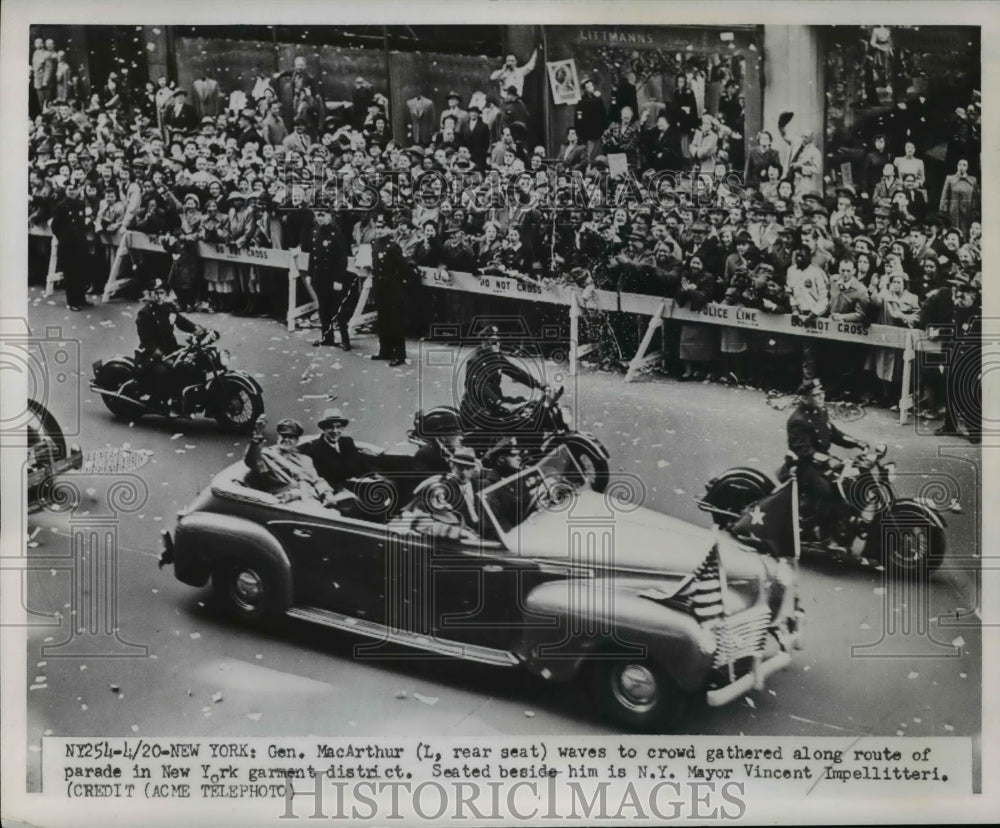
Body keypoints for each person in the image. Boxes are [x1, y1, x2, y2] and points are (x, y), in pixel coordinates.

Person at [785, 378, 866, 549]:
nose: (822, 397)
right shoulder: (797, 420)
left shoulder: (820, 412)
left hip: (820, 462)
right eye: (816, 395)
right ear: (805, 398)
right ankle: (823, 534)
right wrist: (823, 458)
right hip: (803, 466)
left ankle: (841, 525)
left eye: (821, 393)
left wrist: (857, 443)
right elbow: (803, 450)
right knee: (826, 490)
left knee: (846, 485)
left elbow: (834, 433)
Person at [134, 279, 206, 412]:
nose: (159, 296)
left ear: (166, 294)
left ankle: (189, 396)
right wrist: (161, 355)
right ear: (150, 294)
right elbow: (146, 341)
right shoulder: (145, 314)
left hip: (170, 349)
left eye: (161, 293)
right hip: (152, 354)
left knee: (195, 360)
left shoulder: (168, 308)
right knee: (165, 372)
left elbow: (181, 322)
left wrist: (198, 329)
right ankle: (158, 401)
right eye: (155, 293)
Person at [459, 325, 545, 436]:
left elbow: (515, 371)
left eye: (499, 341)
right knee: (510, 424)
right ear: (484, 343)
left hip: (494, 404)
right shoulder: (475, 360)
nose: (498, 345)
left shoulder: (496, 357)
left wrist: (539, 385)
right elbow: (480, 386)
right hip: (477, 409)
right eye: (494, 342)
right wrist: (501, 403)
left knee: (526, 410)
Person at [244, 416, 340, 509]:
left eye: (291, 437)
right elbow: (251, 460)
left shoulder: (305, 459)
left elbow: (317, 480)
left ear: (297, 441)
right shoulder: (267, 455)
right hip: (288, 503)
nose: (286, 440)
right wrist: (257, 436)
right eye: (284, 436)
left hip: (313, 501)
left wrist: (327, 493)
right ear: (278, 437)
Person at [934, 276, 981, 444]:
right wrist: (942, 359)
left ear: (973, 296)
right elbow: (948, 335)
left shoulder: (979, 315)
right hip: (952, 357)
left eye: (964, 297)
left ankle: (975, 430)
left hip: (969, 360)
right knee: (949, 392)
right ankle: (950, 425)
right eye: (959, 296)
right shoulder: (955, 312)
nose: (960, 300)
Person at [306, 206, 354, 349]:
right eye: (317, 215)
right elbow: (312, 256)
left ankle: (345, 340)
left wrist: (339, 279)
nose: (319, 218)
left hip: (333, 279)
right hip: (319, 278)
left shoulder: (336, 233)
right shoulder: (315, 232)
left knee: (337, 310)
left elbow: (342, 259)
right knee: (323, 309)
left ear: (329, 216)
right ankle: (327, 337)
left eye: (322, 215)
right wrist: (309, 273)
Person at [298, 407, 373, 492]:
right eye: (330, 427)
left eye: (338, 427)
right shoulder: (314, 450)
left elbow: (360, 462)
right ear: (323, 429)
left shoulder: (347, 442)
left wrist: (373, 475)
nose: (335, 431)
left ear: (342, 428)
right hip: (338, 491)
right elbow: (324, 479)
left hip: (359, 485)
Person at [49, 176, 92, 311]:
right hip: (67, 245)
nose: (72, 192)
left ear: (79, 189)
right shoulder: (60, 207)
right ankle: (72, 301)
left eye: (74, 189)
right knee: (70, 274)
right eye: (69, 189)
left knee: (82, 271)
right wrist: (64, 238)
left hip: (80, 243)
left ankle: (81, 299)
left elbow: (82, 223)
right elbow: (55, 226)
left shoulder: (80, 204)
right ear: (66, 190)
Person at [370, 217, 409, 366]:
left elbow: (403, 269)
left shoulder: (393, 247)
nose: (379, 230)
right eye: (377, 227)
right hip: (380, 289)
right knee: (383, 321)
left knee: (395, 323)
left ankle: (399, 355)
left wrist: (399, 287)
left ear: (388, 229)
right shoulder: (375, 244)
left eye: (382, 227)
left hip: (392, 290)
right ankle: (384, 350)